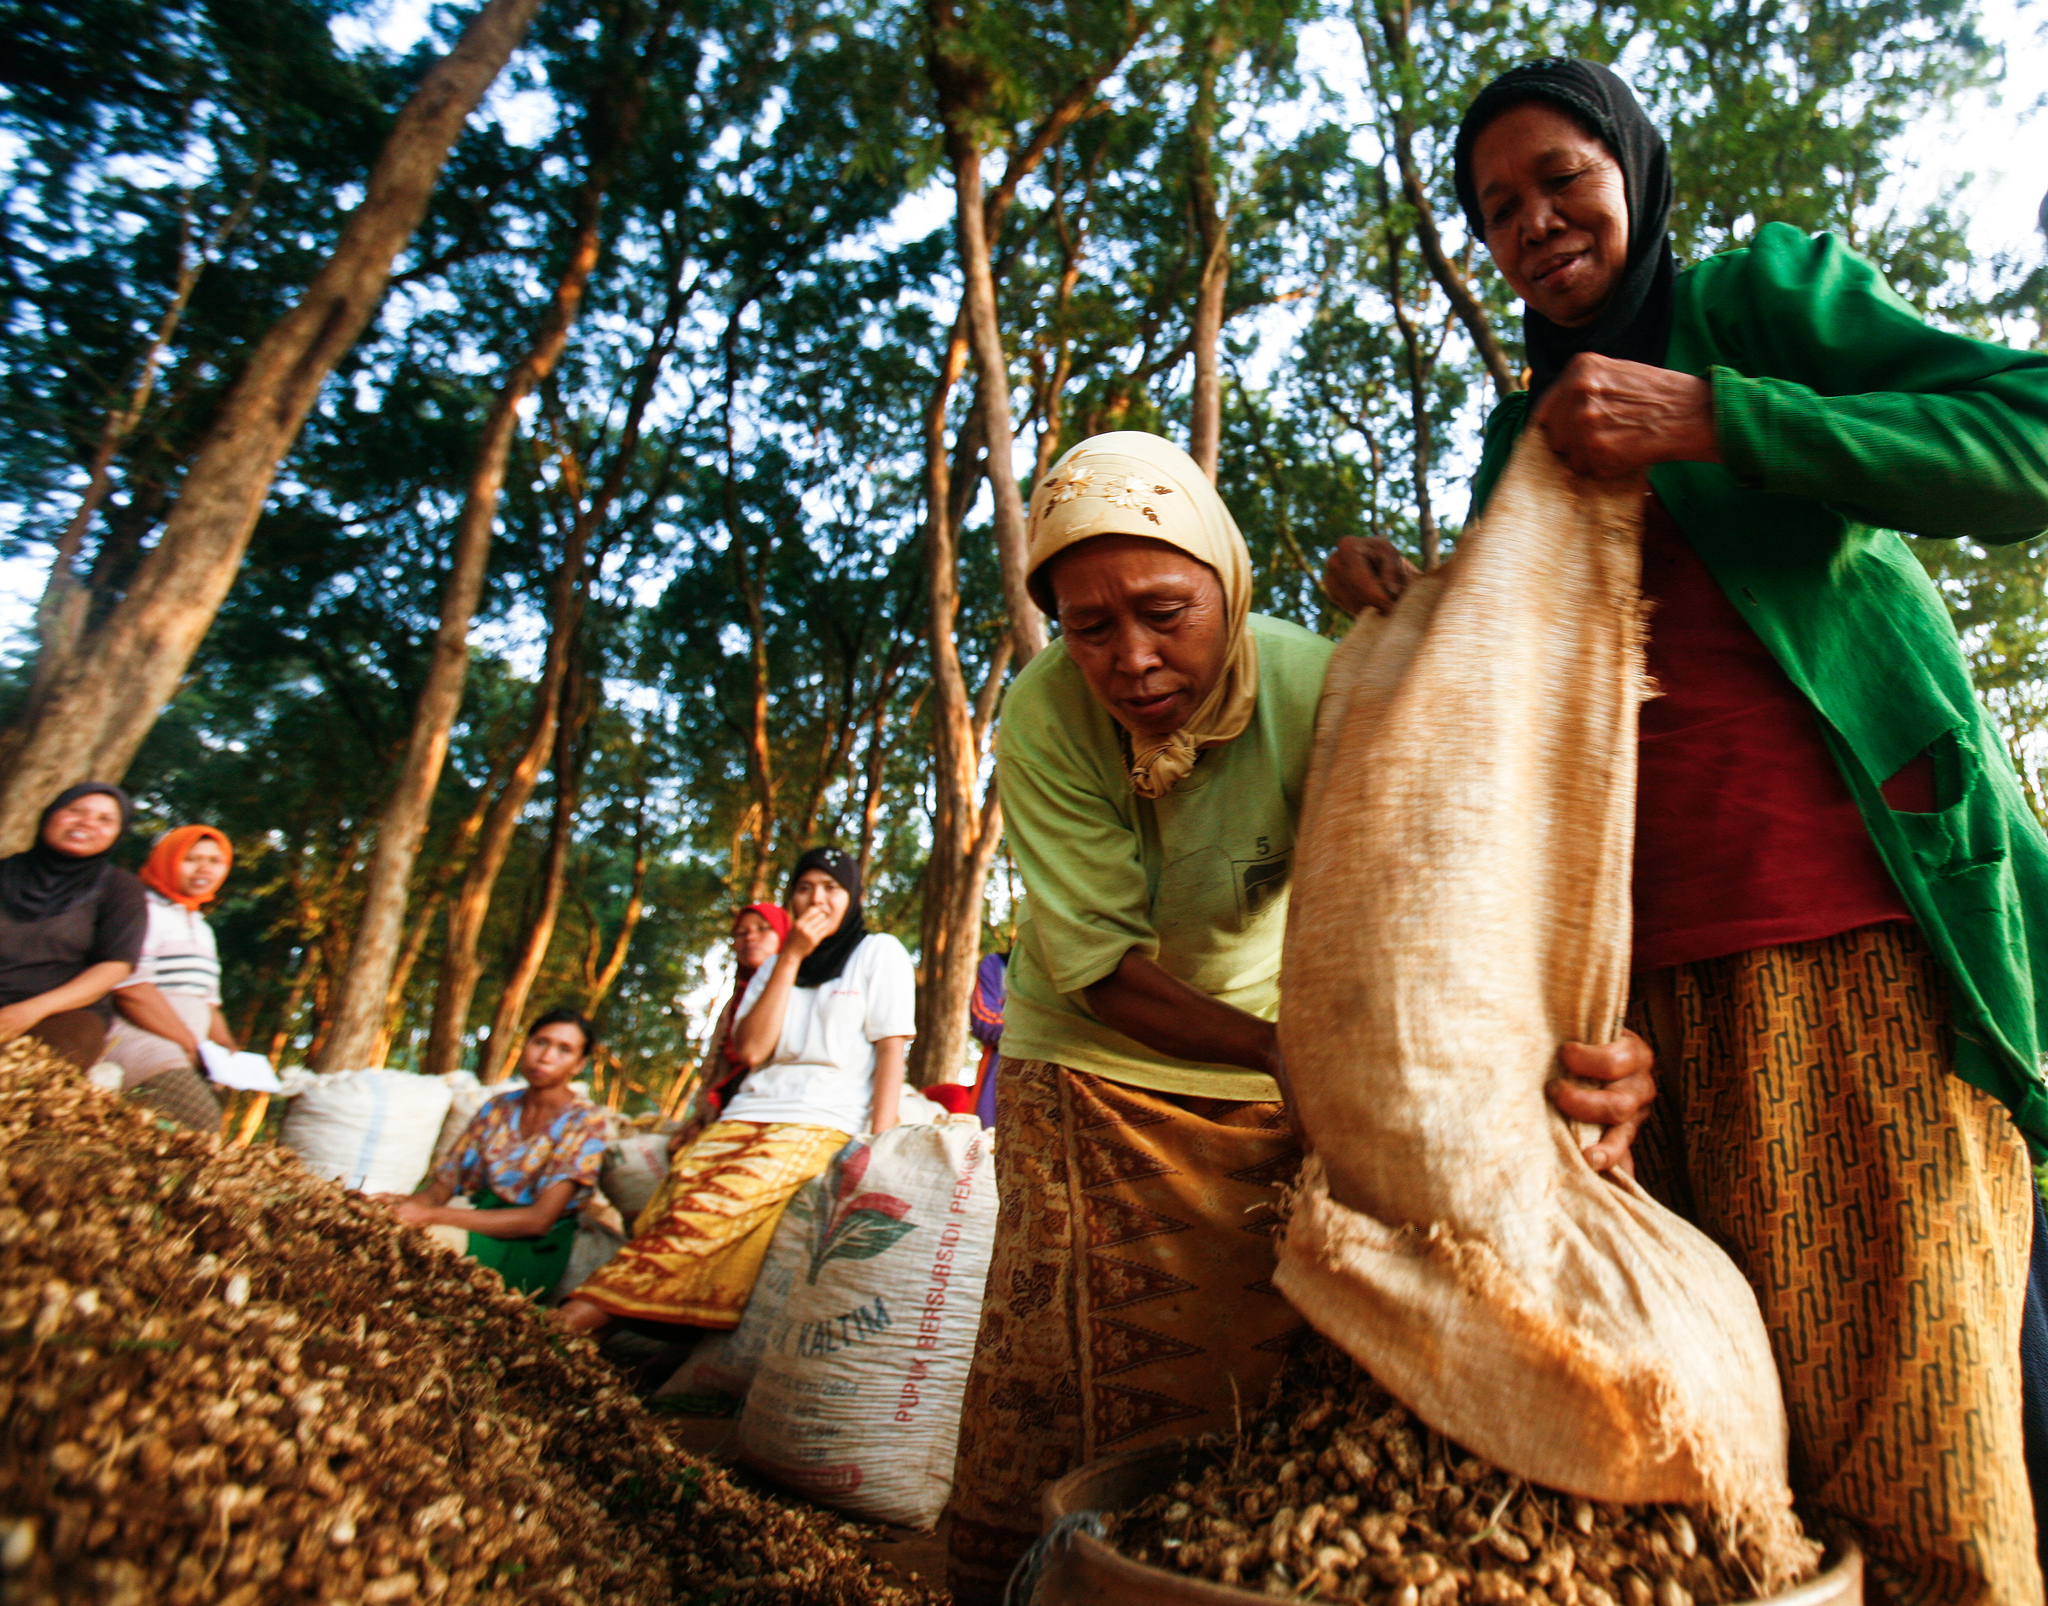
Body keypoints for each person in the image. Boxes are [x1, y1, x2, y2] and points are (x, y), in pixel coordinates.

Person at [1327, 59, 2048, 1605]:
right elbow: (1530, 697)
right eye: (1496, 207)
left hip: (1855, 939)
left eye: (1561, 175)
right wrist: (1415, 605)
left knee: (1920, 1449)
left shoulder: (1756, 302)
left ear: (1634, 172)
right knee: (1727, 1438)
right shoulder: (1522, 433)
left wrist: (1723, 415)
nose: (1535, 220)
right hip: (1636, 1008)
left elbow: (2029, 440)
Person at [944, 431, 1655, 1603]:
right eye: (1088, 627)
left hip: (1276, 1071)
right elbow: (1093, 963)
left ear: (1226, 578)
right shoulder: (1042, 715)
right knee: (1065, 1397)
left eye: (1166, 612)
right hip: (1094, 1079)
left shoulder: (1311, 679)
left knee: (1251, 1391)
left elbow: (1423, 860)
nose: (1130, 659)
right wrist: (1284, 1053)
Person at [554, 847, 914, 1340]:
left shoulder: (879, 952)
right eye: (805, 887)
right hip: (745, 1115)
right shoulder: (775, 965)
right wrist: (790, 956)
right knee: (668, 1211)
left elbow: (891, 1050)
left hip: (818, 1120)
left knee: (712, 1213)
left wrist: (882, 1142)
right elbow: (750, 1050)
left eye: (831, 888)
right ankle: (640, 1332)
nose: (817, 898)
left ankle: (565, 1326)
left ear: (852, 897)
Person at [373, 1008, 612, 1298]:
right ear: (525, 1045)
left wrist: (428, 1215)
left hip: (529, 1247)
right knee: (383, 1231)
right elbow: (441, 1187)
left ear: (578, 1064)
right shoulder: (498, 1108)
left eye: (564, 1050)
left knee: (432, 1243)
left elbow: (538, 1220)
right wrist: (400, 1209)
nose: (546, 1057)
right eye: (540, 1043)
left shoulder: (585, 1122)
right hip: (483, 1223)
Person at [101, 825, 240, 1132]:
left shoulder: (201, 927)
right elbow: (131, 989)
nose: (204, 868)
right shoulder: (141, 909)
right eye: (191, 858)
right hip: (139, 1038)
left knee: (201, 1130)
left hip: (185, 1048)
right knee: (196, 1120)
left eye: (215, 861)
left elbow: (209, 1002)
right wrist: (189, 1045)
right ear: (167, 859)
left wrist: (226, 1047)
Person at [0, 784, 146, 1071]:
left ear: (119, 833)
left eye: (105, 819)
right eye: (75, 811)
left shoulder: (120, 888)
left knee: (32, 1079)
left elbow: (114, 966)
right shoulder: (3, 871)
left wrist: (29, 1011)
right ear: (49, 816)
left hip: (62, 1012)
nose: (87, 822)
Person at [665, 901, 790, 1156]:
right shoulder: (733, 1007)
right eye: (741, 933)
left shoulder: (800, 995)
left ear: (785, 937)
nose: (750, 938)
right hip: (727, 1109)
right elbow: (714, 1070)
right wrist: (700, 1119)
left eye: (763, 929)